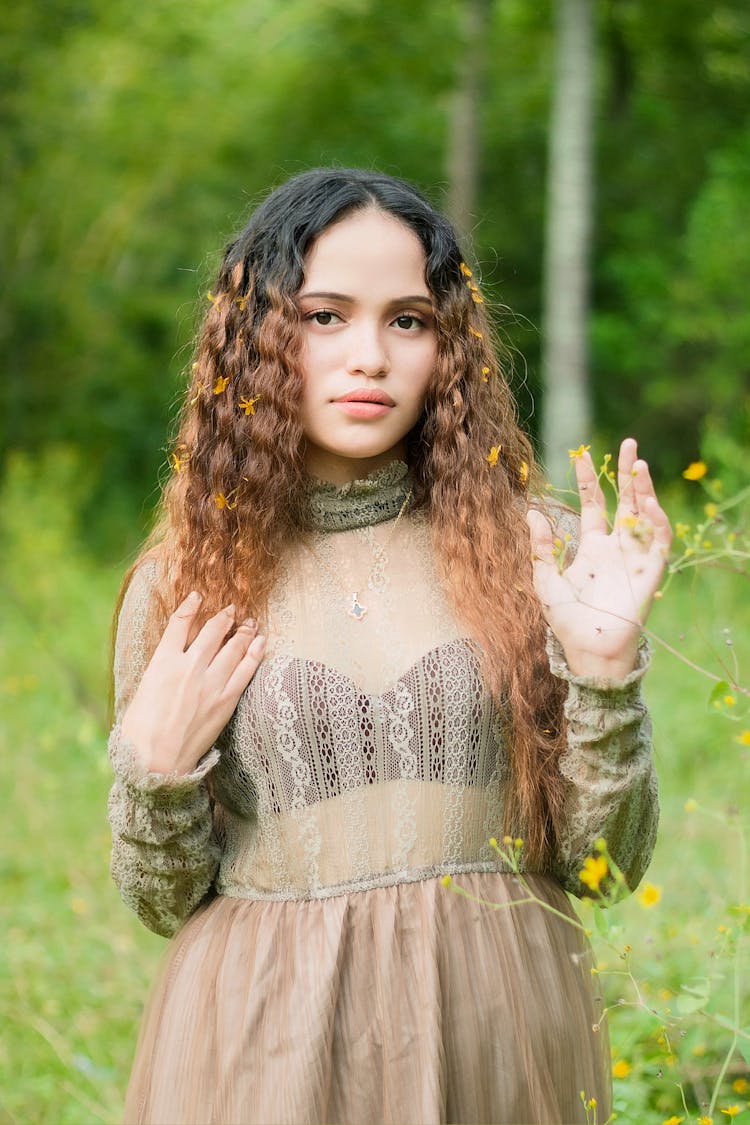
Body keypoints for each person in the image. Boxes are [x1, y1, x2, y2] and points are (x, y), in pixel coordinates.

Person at [108, 167, 671, 1125]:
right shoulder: (187, 581)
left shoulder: (534, 553)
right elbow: (166, 901)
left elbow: (603, 871)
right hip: (266, 1046)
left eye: (407, 320)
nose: (369, 354)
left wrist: (607, 677)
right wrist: (155, 778)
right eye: (326, 315)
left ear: (447, 347)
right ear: (256, 336)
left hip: (500, 1032)